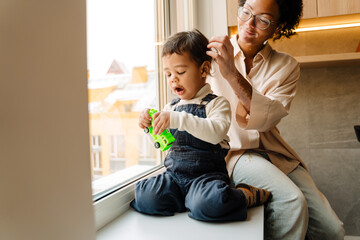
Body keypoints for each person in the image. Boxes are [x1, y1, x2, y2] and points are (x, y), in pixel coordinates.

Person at [206, 0, 345, 238]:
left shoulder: (286, 66)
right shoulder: (212, 51)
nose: (249, 24)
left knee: (333, 231)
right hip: (234, 152)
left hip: (273, 151)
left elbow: (266, 119)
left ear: (278, 27)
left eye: (263, 19)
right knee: (292, 202)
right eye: (246, 12)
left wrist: (230, 74)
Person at [130, 29, 271, 222]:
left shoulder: (216, 103)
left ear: (204, 70)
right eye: (168, 73)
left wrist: (177, 119)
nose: (173, 79)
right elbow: (166, 145)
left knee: (211, 203)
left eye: (180, 72)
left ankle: (244, 195)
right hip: (175, 176)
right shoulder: (170, 107)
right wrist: (149, 128)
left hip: (206, 177)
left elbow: (215, 133)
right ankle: (187, 200)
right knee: (146, 196)